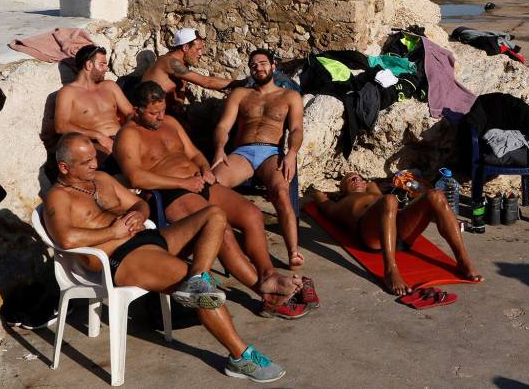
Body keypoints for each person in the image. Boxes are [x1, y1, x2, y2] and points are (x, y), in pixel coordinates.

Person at [43, 133, 285, 382]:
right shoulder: (58, 197)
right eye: (86, 162)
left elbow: (140, 204)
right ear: (64, 167)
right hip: (121, 258)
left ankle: (198, 276)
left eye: (94, 158)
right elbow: (66, 239)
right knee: (205, 295)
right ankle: (240, 357)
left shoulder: (102, 179)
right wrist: (112, 231)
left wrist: (138, 213)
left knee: (214, 215)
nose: (95, 164)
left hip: (147, 238)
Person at [114, 81, 312, 317]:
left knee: (252, 214)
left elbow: (195, 153)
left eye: (163, 110)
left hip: (198, 183)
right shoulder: (128, 135)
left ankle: (268, 275)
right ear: (136, 110)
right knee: (222, 229)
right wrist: (184, 183)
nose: (160, 117)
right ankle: (264, 292)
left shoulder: (170, 123)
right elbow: (136, 177)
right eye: (153, 113)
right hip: (171, 193)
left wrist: (205, 168)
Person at [309, 173, 482, 296]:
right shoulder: (341, 205)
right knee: (390, 200)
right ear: (342, 190)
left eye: (359, 177)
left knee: (435, 195)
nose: (356, 179)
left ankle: (462, 260)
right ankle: (391, 270)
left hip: (399, 228)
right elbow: (319, 197)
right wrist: (329, 194)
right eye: (350, 179)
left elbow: (374, 183)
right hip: (372, 235)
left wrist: (368, 184)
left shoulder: (374, 191)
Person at [212, 49, 304, 268]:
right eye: (254, 65)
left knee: (281, 192)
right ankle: (224, 243)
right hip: (242, 152)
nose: (258, 68)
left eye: (263, 63)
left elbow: (297, 129)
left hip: (271, 152)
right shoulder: (240, 94)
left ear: (274, 66)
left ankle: (293, 251)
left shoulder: (289, 96)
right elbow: (224, 125)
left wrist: (291, 154)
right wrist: (219, 148)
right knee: (213, 186)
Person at [54, 45, 133, 169]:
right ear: (89, 65)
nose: (106, 69)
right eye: (102, 64)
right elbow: (61, 126)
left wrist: (130, 134)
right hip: (95, 143)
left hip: (122, 137)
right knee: (115, 163)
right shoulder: (68, 93)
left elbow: (130, 113)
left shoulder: (110, 86)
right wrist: (98, 136)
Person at [141, 28, 233, 114]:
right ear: (185, 47)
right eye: (197, 49)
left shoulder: (182, 64)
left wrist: (180, 105)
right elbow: (206, 82)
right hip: (149, 115)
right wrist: (240, 83)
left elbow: (181, 89)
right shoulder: (170, 62)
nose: (201, 53)